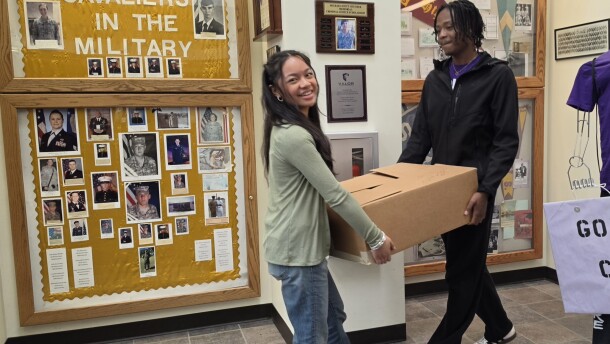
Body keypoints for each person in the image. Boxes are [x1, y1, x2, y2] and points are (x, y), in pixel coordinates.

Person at [397, 2, 518, 343]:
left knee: (460, 276)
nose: (443, 34)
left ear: (471, 26)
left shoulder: (497, 76)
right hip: (442, 192)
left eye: (449, 26)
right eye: (438, 29)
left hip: (474, 193)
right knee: (470, 267)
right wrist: (395, 182)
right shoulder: (435, 80)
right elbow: (419, 141)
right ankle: (501, 328)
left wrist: (485, 189)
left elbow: (505, 142)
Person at [261, 50, 394, 343]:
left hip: (300, 250)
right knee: (312, 337)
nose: (306, 83)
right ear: (276, 91)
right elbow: (334, 194)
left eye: (308, 74)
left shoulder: (291, 128)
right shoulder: (293, 135)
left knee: (333, 321)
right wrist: (375, 238)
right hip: (299, 254)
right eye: (293, 79)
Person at [566, 50, 610, 344]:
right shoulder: (595, 69)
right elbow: (581, 136)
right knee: (605, 277)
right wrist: (577, 163)